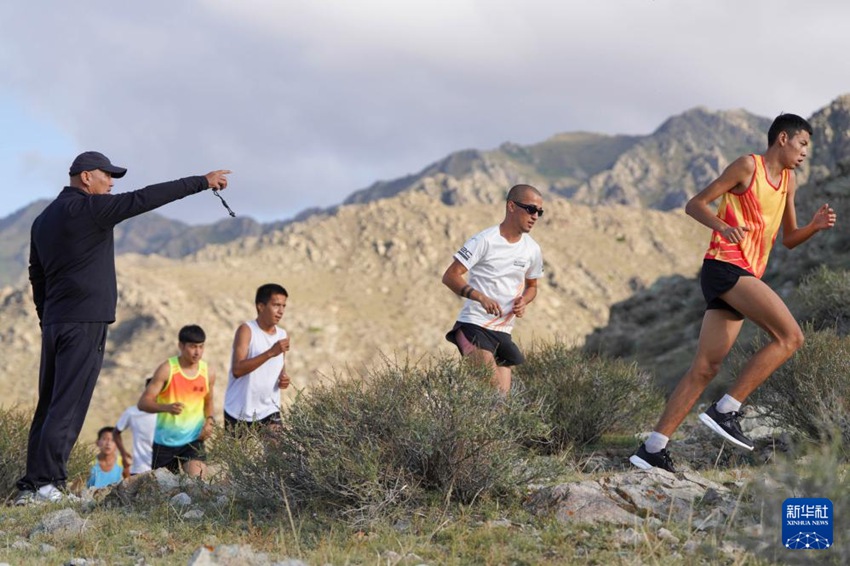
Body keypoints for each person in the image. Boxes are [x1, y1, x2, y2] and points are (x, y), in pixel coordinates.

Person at [15, 151, 230, 506]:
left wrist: (46, 315)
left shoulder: (42, 220)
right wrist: (201, 182)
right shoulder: (91, 210)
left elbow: (35, 273)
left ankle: (32, 485)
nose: (112, 183)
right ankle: (47, 484)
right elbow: (145, 198)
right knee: (68, 405)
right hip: (84, 321)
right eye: (107, 176)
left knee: (49, 405)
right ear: (86, 177)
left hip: (56, 322)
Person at [630, 114, 836, 473]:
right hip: (725, 267)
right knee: (791, 337)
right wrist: (723, 227)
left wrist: (813, 228)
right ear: (783, 139)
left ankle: (652, 448)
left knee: (705, 368)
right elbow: (695, 203)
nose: (805, 153)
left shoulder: (789, 181)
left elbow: (788, 239)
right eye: (803, 144)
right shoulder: (747, 166)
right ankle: (726, 410)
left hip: (740, 274)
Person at [441, 184, 545, 395]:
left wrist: (524, 300)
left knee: (500, 405)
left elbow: (532, 286)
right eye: (531, 209)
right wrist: (480, 297)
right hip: (474, 325)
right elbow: (450, 276)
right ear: (511, 206)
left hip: (503, 331)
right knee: (493, 394)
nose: (535, 216)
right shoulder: (484, 240)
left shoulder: (533, 249)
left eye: (539, 212)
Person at [138, 325, 215, 478]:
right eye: (193, 347)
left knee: (198, 482)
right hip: (164, 443)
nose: (197, 352)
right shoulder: (167, 369)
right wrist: (166, 407)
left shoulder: (208, 372)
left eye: (201, 347)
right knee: (165, 491)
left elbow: (209, 401)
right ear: (181, 346)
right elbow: (143, 403)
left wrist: (210, 422)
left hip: (193, 441)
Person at [223, 284, 291, 432]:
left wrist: (283, 377)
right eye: (276, 305)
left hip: (269, 410)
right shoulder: (246, 330)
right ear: (260, 306)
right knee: (237, 455)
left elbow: (280, 363)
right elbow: (237, 370)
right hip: (239, 412)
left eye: (284, 306)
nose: (281, 311)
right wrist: (270, 352)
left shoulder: (282, 335)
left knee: (278, 451)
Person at [114, 378, 158, 478]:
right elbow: (116, 432)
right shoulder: (133, 412)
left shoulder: (168, 413)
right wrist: (123, 454)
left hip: (162, 469)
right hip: (139, 468)